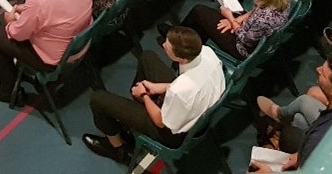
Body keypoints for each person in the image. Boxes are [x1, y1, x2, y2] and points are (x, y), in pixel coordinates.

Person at [82, 26, 226, 162]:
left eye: (167, 47)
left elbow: (160, 121)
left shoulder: (180, 91)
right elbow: (191, 84)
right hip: (193, 107)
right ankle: (132, 115)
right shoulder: (207, 53)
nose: (163, 45)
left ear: (181, 59)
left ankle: (117, 149)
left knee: (98, 98)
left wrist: (144, 94)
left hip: (169, 132)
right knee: (147, 57)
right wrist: (158, 87)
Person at [254, 53, 332, 168]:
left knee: (290, 136)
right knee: (299, 117)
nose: (317, 69)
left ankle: (279, 119)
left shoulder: (318, 138)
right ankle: (280, 117)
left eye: (322, 73)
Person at [184, 0, 292, 59]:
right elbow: (255, 12)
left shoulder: (264, 18)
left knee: (199, 11)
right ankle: (189, 44)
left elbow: (245, 40)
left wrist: (231, 19)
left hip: (241, 47)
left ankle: (180, 42)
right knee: (209, 19)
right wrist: (238, 19)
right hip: (248, 28)